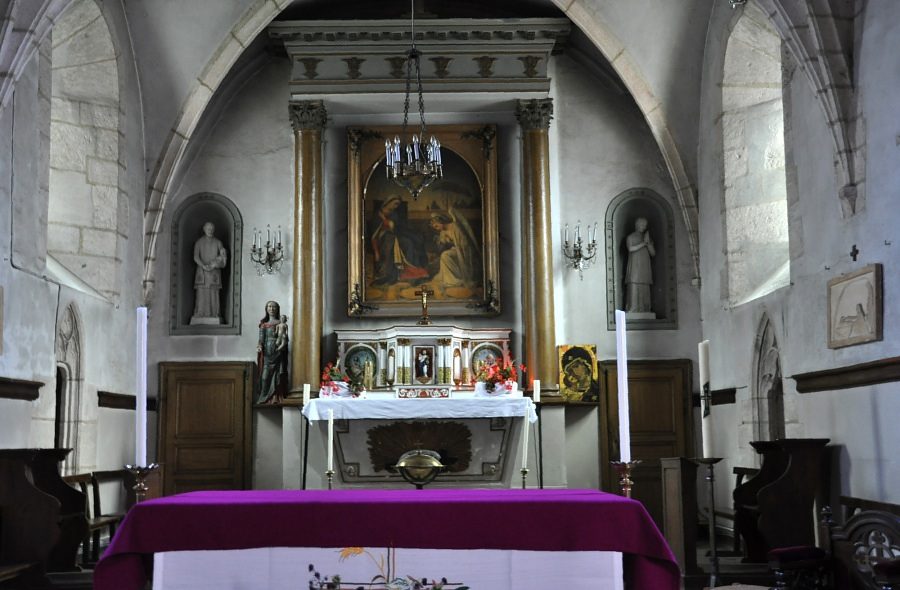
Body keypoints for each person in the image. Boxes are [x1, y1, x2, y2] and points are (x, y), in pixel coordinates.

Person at [369, 195, 429, 286]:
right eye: (395, 204)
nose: (396, 206)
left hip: (395, 236)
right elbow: (374, 234)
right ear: (388, 202)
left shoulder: (394, 214)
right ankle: (389, 275)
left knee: (409, 242)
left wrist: (389, 223)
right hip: (381, 239)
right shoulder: (377, 214)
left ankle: (412, 271)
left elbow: (396, 228)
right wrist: (376, 251)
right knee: (390, 242)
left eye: (398, 205)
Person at [429, 208, 481, 290]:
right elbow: (442, 246)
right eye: (434, 227)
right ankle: (452, 278)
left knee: (445, 255)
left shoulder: (455, 227)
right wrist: (439, 241)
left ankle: (453, 280)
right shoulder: (443, 231)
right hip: (456, 250)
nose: (436, 228)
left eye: (436, 226)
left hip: (465, 250)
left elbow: (465, 244)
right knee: (445, 255)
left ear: (441, 221)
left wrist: (455, 246)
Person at [191, 222, 228, 323]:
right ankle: (200, 313)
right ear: (204, 229)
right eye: (208, 228)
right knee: (201, 293)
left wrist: (218, 261)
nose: (210, 230)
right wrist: (203, 265)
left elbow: (222, 255)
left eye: (212, 228)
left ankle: (214, 313)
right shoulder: (199, 242)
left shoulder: (218, 242)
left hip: (214, 272)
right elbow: (195, 256)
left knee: (213, 293)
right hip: (202, 271)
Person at [257, 301, 289, 404]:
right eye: (269, 307)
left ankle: (275, 398)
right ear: (266, 309)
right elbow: (261, 339)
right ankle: (264, 397)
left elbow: (285, 337)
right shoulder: (264, 325)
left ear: (277, 309)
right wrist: (259, 346)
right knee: (265, 377)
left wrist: (282, 345)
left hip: (278, 351)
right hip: (267, 352)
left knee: (278, 375)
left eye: (274, 307)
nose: (271, 309)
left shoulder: (281, 323)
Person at [624, 217, 655, 313]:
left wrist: (648, 244)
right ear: (637, 225)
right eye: (642, 225)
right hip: (634, 264)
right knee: (633, 283)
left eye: (645, 225)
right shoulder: (630, 237)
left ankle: (645, 308)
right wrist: (643, 243)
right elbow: (630, 249)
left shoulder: (648, 238)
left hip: (644, 265)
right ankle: (633, 308)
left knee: (644, 285)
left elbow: (653, 253)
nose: (644, 227)